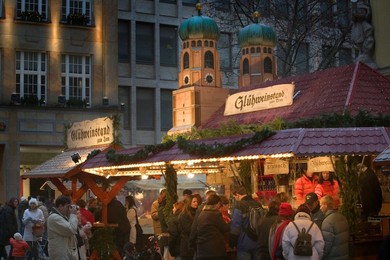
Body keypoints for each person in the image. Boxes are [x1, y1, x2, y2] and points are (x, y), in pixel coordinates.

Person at [190, 194, 230, 260]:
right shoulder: (216, 214)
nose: (220, 206)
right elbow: (225, 229)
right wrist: (233, 221)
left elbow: (195, 229)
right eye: (220, 204)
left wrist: (192, 244)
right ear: (216, 203)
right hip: (214, 251)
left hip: (202, 250)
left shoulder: (202, 213)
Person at [229, 185, 261, 260]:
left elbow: (235, 226)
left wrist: (232, 242)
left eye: (234, 196)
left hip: (244, 243)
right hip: (257, 241)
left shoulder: (239, 205)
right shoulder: (257, 204)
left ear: (237, 194)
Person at [47, 195, 79, 259]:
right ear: (61, 206)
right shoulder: (54, 217)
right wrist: (73, 214)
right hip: (60, 254)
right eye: (68, 207)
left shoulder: (61, 216)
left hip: (64, 253)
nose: (69, 209)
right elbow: (71, 230)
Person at [320, 195, 349, 260]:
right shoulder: (343, 218)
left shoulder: (327, 222)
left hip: (332, 257)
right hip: (344, 255)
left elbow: (326, 245)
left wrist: (321, 257)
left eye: (321, 205)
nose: (320, 208)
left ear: (325, 205)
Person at [178, 195, 198, 260]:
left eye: (196, 201)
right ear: (189, 203)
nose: (196, 203)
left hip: (195, 244)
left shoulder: (197, 213)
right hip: (187, 245)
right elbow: (189, 229)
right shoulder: (184, 215)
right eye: (194, 202)